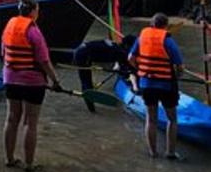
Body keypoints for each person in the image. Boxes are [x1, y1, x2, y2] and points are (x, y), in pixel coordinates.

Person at [1, 0, 62, 172]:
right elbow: (44, 61)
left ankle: (9, 159)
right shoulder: (34, 31)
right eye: (38, 10)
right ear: (34, 11)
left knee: (12, 118)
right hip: (32, 83)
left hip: (10, 79)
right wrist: (56, 81)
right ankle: (29, 164)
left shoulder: (9, 26)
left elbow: (3, 53)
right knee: (30, 122)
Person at [127, 13, 184, 159]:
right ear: (165, 25)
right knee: (172, 119)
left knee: (151, 118)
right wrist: (178, 76)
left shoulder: (142, 37)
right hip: (166, 85)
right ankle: (170, 152)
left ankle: (153, 152)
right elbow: (179, 65)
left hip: (147, 84)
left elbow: (130, 58)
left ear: (152, 24)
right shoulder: (168, 40)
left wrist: (141, 70)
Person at [71, 35, 134, 112]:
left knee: (87, 83)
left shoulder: (116, 46)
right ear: (127, 46)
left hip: (81, 50)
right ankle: (92, 110)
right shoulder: (120, 52)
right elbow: (130, 67)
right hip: (82, 54)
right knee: (87, 84)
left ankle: (91, 109)